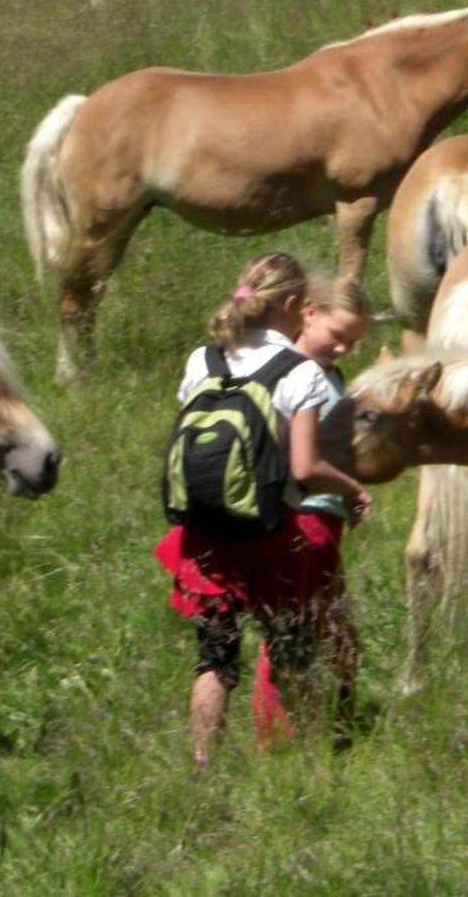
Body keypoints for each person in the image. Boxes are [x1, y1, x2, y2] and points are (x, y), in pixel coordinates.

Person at [154, 252, 374, 764]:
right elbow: (304, 467)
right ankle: (291, 760)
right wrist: (351, 489)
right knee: (290, 653)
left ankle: (202, 765)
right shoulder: (301, 373)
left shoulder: (201, 359)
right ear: (297, 306)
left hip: (205, 531)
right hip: (270, 535)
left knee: (215, 660)